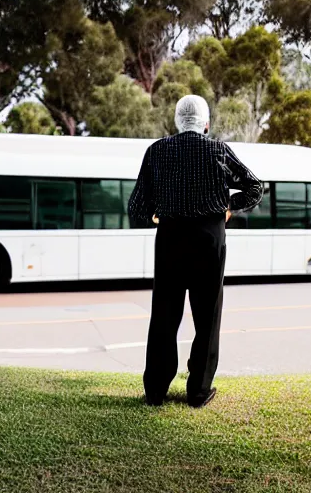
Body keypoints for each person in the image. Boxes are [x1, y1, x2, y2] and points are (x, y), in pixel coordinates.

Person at [128, 95, 263, 408]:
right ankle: (199, 391)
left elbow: (137, 205)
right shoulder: (218, 150)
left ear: (176, 122)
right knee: (207, 316)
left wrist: (155, 213)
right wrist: (228, 207)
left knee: (164, 313)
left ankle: (156, 390)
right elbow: (254, 187)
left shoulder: (157, 151)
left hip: (170, 238)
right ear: (206, 123)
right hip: (208, 239)